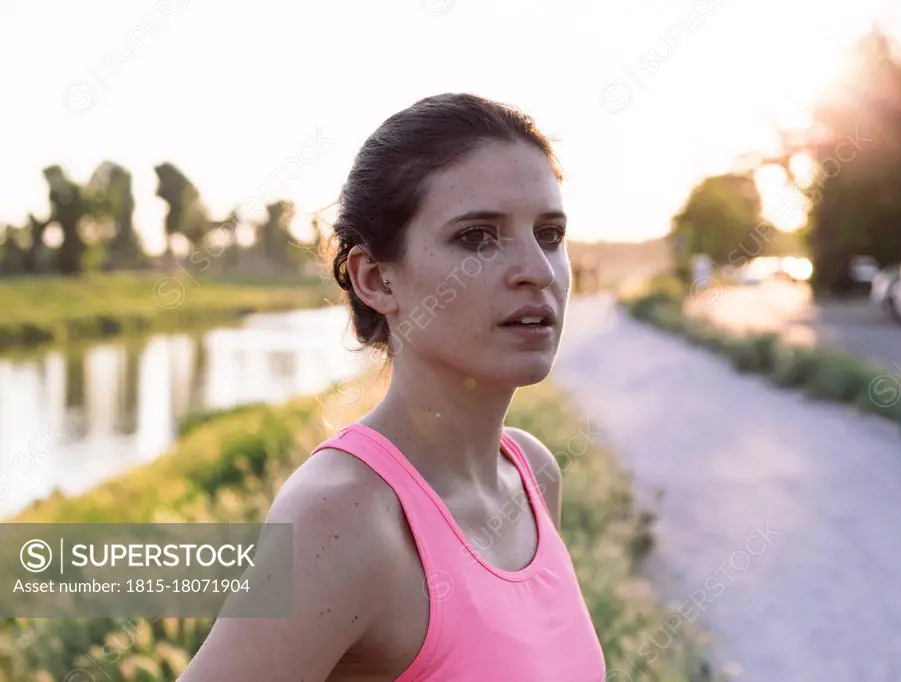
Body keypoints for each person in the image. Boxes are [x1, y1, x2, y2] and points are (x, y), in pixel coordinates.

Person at [178, 93, 607, 681]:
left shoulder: (532, 472)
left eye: (550, 233)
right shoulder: (341, 515)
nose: (536, 269)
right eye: (478, 237)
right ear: (377, 279)